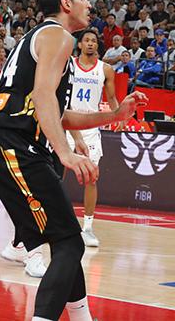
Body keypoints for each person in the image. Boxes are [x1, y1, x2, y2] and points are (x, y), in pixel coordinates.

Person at [0, 0, 146, 321]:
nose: (89, 3)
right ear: (66, 3)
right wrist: (65, 153)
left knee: (65, 239)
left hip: (2, 144)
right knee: (70, 242)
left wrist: (114, 114)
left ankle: (82, 317)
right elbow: (42, 97)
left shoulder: (41, 38)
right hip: (13, 144)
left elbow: (59, 113)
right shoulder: (58, 36)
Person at [63, 30, 119, 248]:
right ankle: (52, 222)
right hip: (66, 124)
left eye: (93, 41)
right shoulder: (69, 65)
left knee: (91, 178)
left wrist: (119, 115)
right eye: (86, 40)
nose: (90, 43)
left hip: (90, 128)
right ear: (79, 44)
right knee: (56, 175)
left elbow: (112, 98)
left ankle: (87, 228)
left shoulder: (105, 69)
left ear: (97, 46)